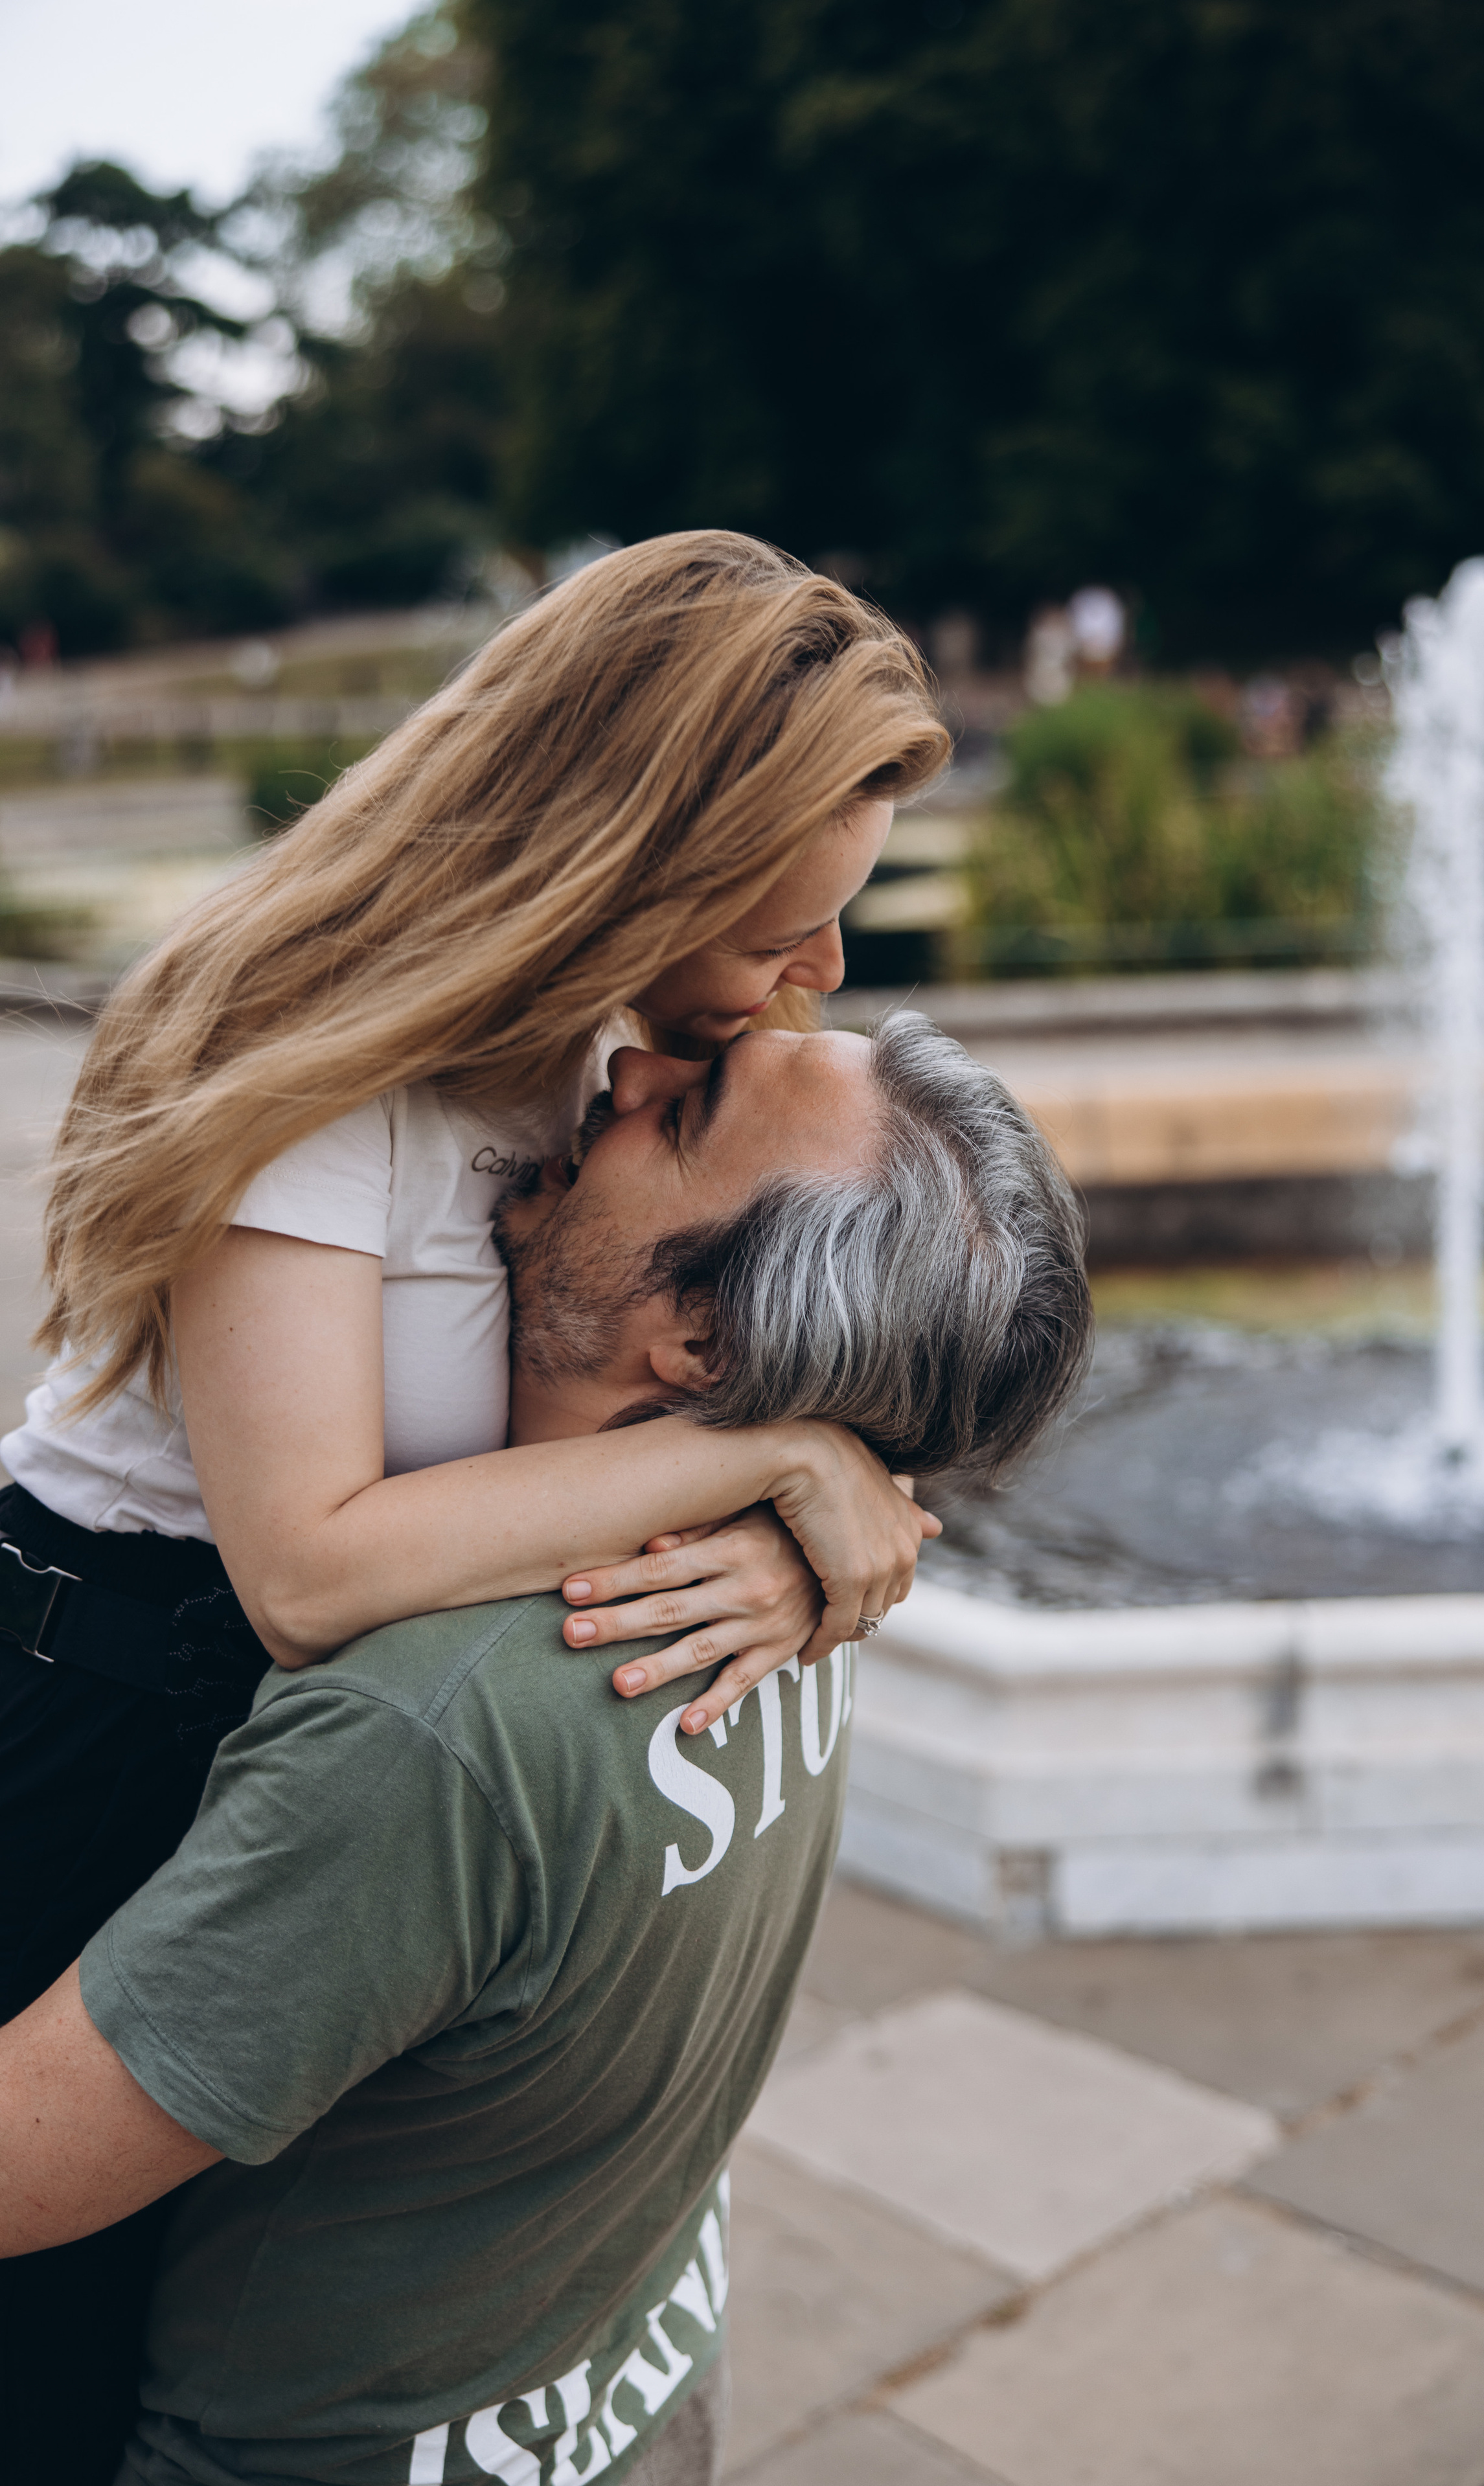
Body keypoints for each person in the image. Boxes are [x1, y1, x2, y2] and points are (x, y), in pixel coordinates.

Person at [0, 534, 950, 2474]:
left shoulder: (608, 1053)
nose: (819, 977)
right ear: (644, 851)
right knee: (59, 2335)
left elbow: (760, 1292)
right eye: (791, 924)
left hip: (319, 1744)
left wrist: (806, 1519)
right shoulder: (322, 1052)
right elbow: (307, 1562)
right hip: (106, 1693)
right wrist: (755, 1464)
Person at [0, 1012, 1093, 2486]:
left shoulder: (439, 1724)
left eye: (684, 1111)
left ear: (700, 1339)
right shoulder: (801, 1582)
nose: (622, 1067)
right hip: (622, 2402)